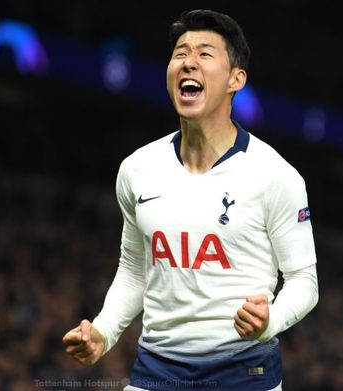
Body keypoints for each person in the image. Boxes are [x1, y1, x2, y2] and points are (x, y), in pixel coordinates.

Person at [62, 9, 318, 391]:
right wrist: (103, 331)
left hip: (245, 378)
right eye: (180, 53)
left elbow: (304, 281)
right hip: (156, 375)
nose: (188, 63)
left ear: (236, 79)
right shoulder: (136, 170)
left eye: (204, 53)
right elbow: (135, 269)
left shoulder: (276, 176)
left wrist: (270, 321)